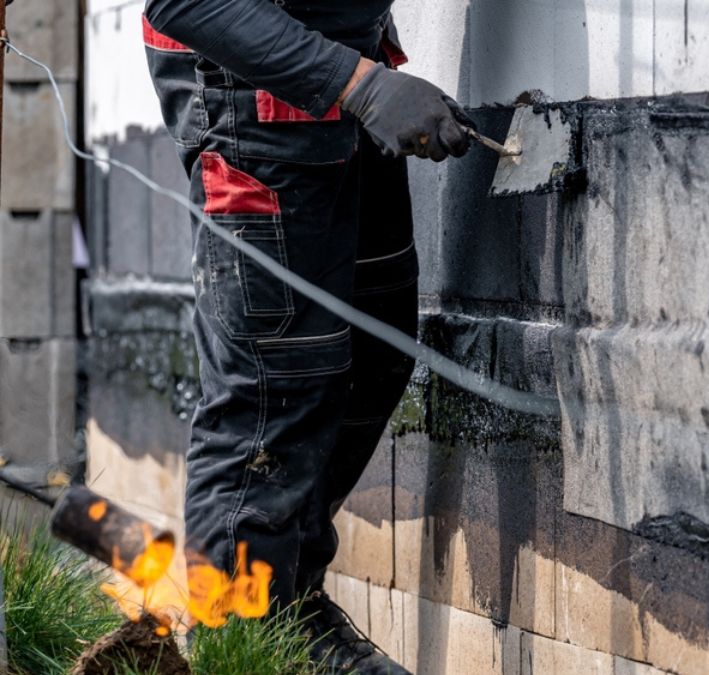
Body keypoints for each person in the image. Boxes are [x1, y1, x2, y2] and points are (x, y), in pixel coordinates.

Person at [141, 1, 472, 672]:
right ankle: (241, 641)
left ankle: (286, 608)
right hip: (256, 110)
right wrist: (363, 87)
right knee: (269, 400)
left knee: (374, 357)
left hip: (342, 82)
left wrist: (365, 79)